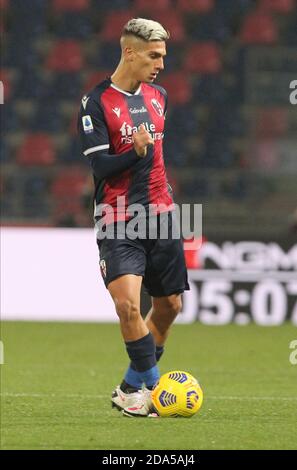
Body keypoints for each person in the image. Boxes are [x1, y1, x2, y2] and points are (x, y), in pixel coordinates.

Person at [78, 18, 189, 417]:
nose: (160, 63)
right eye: (153, 55)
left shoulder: (159, 96)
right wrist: (134, 152)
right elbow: (101, 167)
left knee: (171, 306)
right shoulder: (95, 103)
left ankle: (129, 388)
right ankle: (158, 389)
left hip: (162, 214)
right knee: (127, 305)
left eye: (163, 56)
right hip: (117, 216)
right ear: (129, 52)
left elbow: (156, 161)